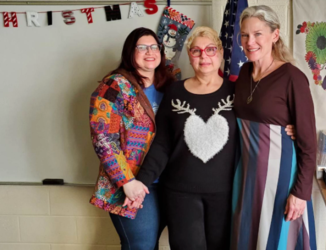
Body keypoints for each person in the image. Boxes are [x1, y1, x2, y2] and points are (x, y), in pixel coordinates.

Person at [129, 26, 297, 250]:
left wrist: (288, 127)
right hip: (180, 194)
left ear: (220, 53)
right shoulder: (174, 92)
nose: (204, 56)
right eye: (196, 51)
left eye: (210, 49)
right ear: (190, 56)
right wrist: (141, 182)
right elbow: (162, 144)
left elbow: (259, 123)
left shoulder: (238, 91)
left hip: (228, 193)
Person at [231, 5, 317, 250]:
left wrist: (301, 193)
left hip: (281, 181)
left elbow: (309, 145)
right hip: (246, 178)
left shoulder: (293, 78)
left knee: (278, 241)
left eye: (258, 34)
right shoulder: (244, 72)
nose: (250, 41)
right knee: (247, 238)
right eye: (245, 35)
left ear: (274, 35)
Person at [88, 27, 174, 250]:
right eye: (142, 47)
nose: (150, 52)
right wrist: (126, 181)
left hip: (167, 182)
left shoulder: (171, 85)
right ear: (130, 52)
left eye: (154, 46)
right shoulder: (113, 87)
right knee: (141, 246)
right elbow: (103, 139)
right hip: (132, 184)